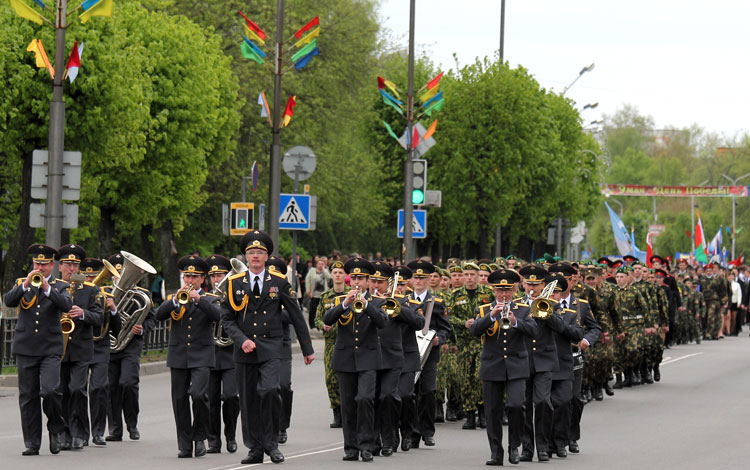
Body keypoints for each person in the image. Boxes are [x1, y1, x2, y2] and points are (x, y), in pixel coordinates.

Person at [221, 230, 314, 465]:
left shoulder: (279, 282)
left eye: (260, 252)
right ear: (245, 256)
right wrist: (242, 340)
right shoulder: (233, 284)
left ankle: (272, 444)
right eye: (251, 252)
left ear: (266, 256)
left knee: (270, 391)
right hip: (245, 349)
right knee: (249, 399)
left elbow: (296, 315)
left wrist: (307, 348)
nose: (255, 256)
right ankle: (254, 448)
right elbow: (227, 318)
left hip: (271, 346)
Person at [4, 244, 73, 456]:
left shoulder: (59, 286)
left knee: (51, 391)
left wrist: (46, 289)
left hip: (50, 348)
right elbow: (8, 301)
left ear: (52, 265)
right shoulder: (21, 283)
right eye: (37, 264)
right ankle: (32, 442)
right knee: (28, 396)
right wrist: (25, 284)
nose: (40, 268)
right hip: (26, 347)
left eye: (44, 264)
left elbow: (66, 306)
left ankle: (55, 428)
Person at [470, 269, 538, 466]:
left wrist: (516, 322)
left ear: (515, 289)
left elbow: (534, 330)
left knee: (516, 405)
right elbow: (474, 330)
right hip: (492, 365)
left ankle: (514, 446)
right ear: (494, 291)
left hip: (517, 364)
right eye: (500, 291)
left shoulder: (524, 308)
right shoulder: (484, 309)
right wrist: (491, 316)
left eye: (508, 290)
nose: (504, 295)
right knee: (493, 411)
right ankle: (496, 452)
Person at [323, 258, 387, 462]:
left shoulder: (378, 301)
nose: (357, 282)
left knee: (365, 399)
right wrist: (345, 303)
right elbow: (327, 319)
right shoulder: (340, 300)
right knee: (348, 404)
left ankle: (367, 445)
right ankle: (351, 448)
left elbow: (383, 322)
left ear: (369, 281)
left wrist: (366, 305)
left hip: (368, 357)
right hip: (345, 358)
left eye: (361, 278)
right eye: (355, 278)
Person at [156, 256, 220, 458]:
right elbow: (158, 315)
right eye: (187, 276)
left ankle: (199, 436)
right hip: (179, 354)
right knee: (179, 399)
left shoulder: (210, 298)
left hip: (202, 353)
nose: (190, 280)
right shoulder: (174, 299)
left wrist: (198, 300)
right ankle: (184, 444)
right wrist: (175, 300)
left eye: (194, 277)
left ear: (203, 279)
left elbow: (219, 317)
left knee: (200, 395)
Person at [369, 261, 423, 456]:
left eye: (380, 282)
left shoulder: (403, 301)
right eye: (373, 281)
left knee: (388, 397)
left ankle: (391, 438)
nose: (376, 285)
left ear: (389, 283)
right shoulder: (364, 300)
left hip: (394, 357)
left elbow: (419, 323)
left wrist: (398, 307)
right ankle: (374, 440)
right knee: (372, 399)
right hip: (372, 356)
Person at [56, 244, 103, 450]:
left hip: (82, 348)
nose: (71, 269)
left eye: (75, 265)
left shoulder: (90, 289)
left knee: (77, 389)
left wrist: (82, 313)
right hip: (58, 349)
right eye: (67, 264)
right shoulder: (54, 288)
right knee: (62, 391)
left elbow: (99, 317)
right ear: (60, 267)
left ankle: (80, 432)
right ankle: (65, 433)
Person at [517, 264, 565, 462]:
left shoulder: (552, 304)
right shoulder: (518, 304)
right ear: (523, 283)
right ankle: (527, 448)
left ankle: (543, 446)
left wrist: (546, 313)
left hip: (545, 360)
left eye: (536, 285)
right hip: (523, 359)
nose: (532, 288)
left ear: (543, 285)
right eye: (529, 283)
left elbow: (561, 327)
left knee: (543, 402)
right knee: (524, 405)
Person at [106, 252, 156, 443]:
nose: (120, 277)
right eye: (117, 274)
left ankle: (132, 423)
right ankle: (115, 429)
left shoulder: (142, 295)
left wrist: (142, 328)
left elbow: (152, 317)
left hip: (130, 345)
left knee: (128, 383)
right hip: (109, 347)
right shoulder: (104, 293)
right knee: (111, 387)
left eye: (124, 273)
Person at [406, 259, 452, 449]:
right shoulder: (405, 301)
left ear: (428, 280)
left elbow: (445, 329)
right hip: (410, 352)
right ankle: (410, 432)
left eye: (422, 278)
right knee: (410, 393)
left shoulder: (437, 302)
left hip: (429, 354)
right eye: (416, 277)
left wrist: (438, 340)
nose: (419, 281)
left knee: (428, 391)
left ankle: (427, 430)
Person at [79, 258, 121, 447]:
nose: (90, 279)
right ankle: (81, 431)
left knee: (98, 388)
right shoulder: (74, 293)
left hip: (100, 346)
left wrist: (113, 310)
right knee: (77, 390)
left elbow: (116, 328)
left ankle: (98, 432)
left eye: (94, 276)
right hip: (80, 346)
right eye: (87, 275)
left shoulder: (106, 295)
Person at [205, 255, 239, 454]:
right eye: (214, 276)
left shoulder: (235, 297)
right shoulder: (205, 299)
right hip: (209, 355)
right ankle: (213, 440)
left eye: (220, 275)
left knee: (230, 396)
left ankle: (231, 435)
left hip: (230, 354)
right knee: (211, 400)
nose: (217, 280)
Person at [315, 259, 349, 428]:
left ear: (345, 276)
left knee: (348, 378)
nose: (337, 275)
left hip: (348, 342)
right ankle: (337, 411)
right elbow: (317, 319)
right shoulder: (325, 297)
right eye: (334, 273)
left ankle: (348, 411)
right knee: (331, 378)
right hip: (331, 342)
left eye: (340, 273)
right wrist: (323, 326)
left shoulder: (351, 295)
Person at [305, 257, 332, 329]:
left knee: (323, 310)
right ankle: (312, 324)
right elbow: (307, 280)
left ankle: (320, 325)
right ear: (316, 265)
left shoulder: (326, 271)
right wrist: (308, 290)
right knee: (313, 310)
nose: (320, 265)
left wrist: (324, 270)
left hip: (323, 294)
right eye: (319, 264)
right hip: (314, 294)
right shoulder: (312, 270)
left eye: (322, 264)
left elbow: (329, 278)